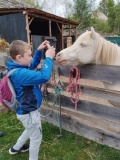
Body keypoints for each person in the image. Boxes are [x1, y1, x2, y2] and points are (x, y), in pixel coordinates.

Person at [7, 40, 55, 160]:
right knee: (36, 138)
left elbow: (32, 64)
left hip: (24, 111)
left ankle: (16, 148)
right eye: (29, 55)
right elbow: (44, 76)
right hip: (29, 113)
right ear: (19, 57)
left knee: (30, 129)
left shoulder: (15, 68)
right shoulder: (21, 74)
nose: (31, 58)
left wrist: (39, 51)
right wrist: (48, 57)